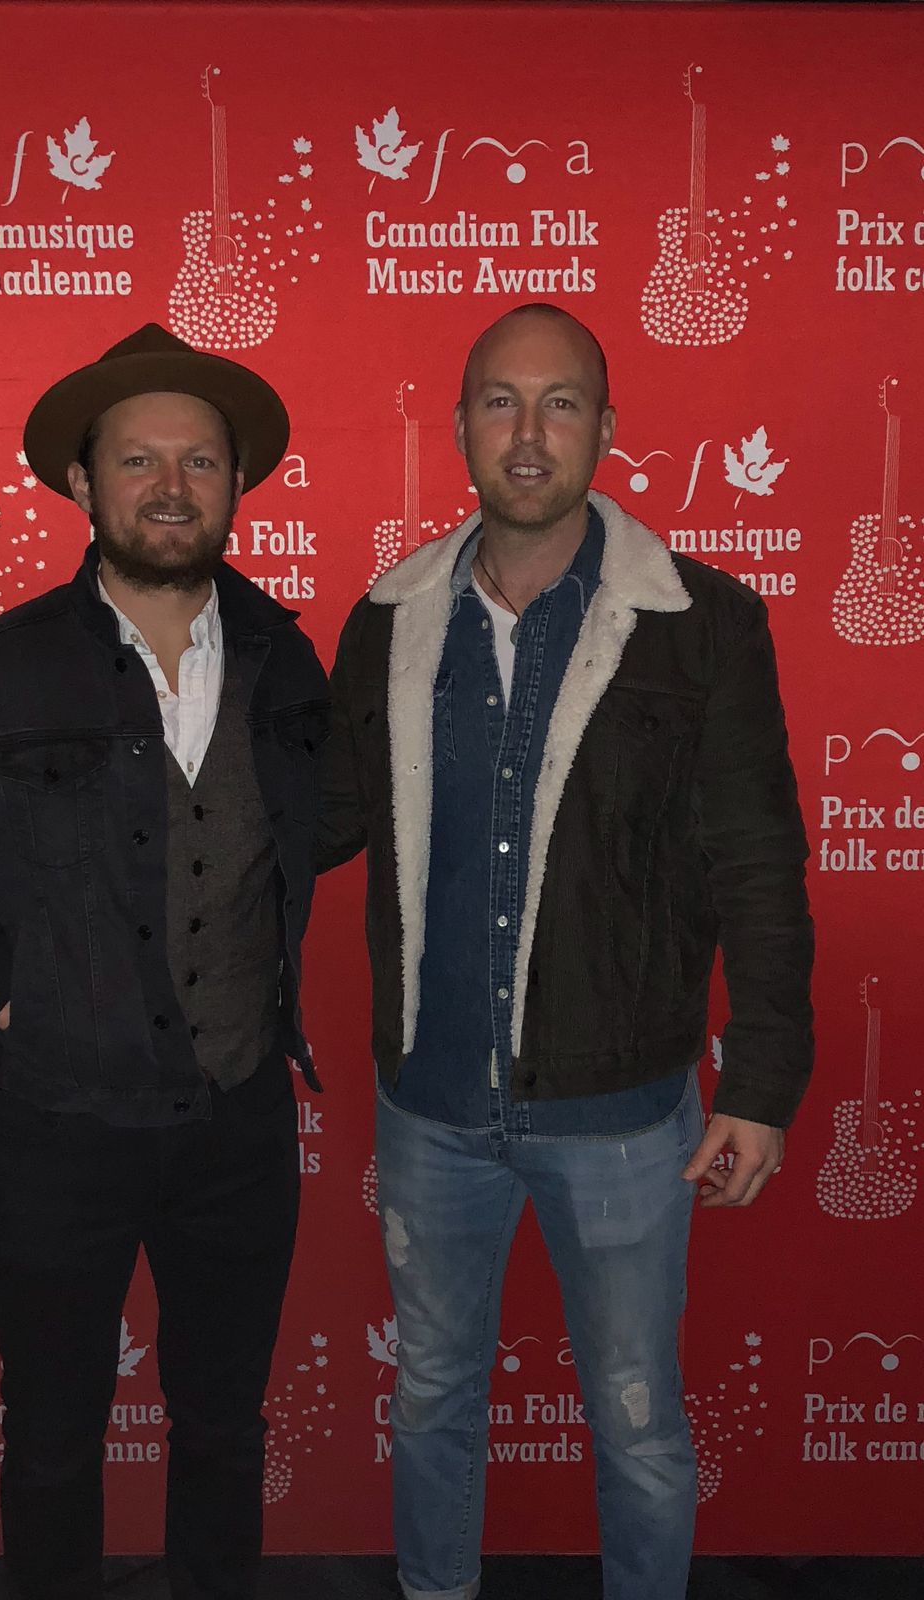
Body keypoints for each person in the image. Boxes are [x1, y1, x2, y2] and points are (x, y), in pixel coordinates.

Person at [317, 303, 813, 1600]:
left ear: (604, 427)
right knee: (429, 1396)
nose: (527, 433)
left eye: (560, 402)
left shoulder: (700, 624)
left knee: (638, 1421)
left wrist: (759, 1084)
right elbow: (313, 819)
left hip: (621, 1119)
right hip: (428, 1109)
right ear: (458, 426)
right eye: (499, 400)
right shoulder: (385, 621)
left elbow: (755, 864)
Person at [0, 323, 329, 1600]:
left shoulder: (286, 659)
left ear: (235, 482)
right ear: (82, 481)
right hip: (53, 1128)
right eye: (136, 460)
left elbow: (315, 834)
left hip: (237, 1123)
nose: (170, 487)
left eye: (199, 461)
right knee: (53, 1433)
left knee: (223, 1424)